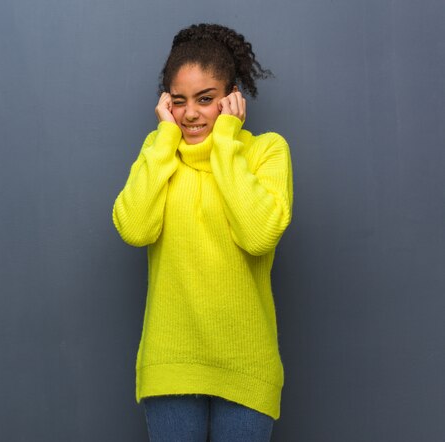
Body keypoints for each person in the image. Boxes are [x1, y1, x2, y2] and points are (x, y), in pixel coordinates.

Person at [112, 23, 293, 442]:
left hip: (246, 365)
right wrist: (163, 140)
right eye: (179, 101)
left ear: (232, 98)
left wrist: (226, 141)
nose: (191, 113)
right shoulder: (158, 153)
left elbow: (259, 234)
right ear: (166, 104)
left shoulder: (266, 152)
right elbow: (134, 228)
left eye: (206, 99)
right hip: (171, 362)